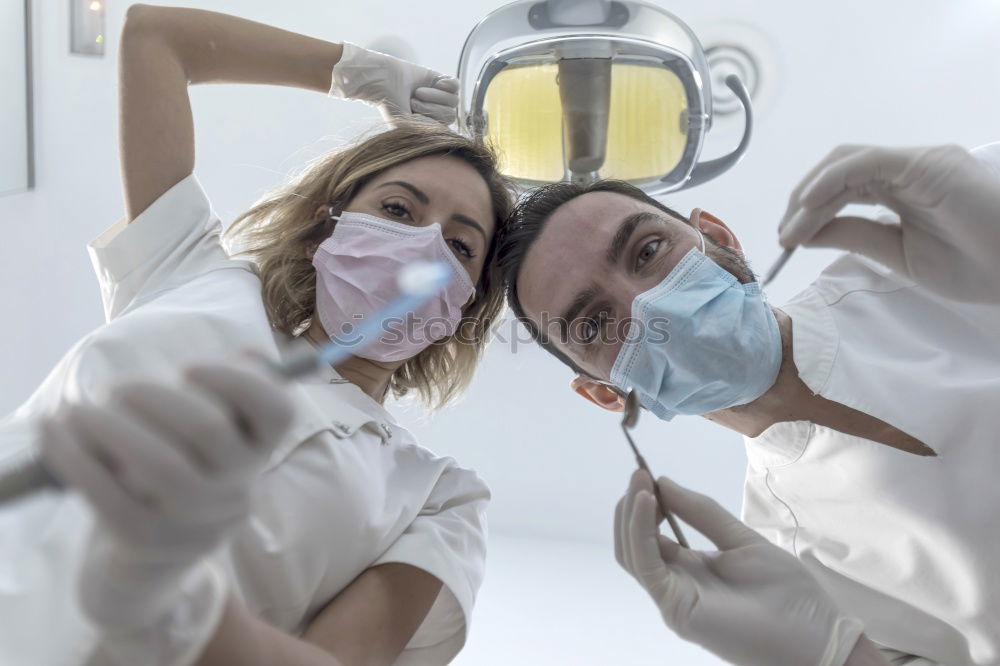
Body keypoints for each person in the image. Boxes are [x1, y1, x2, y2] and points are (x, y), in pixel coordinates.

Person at [0, 5, 514, 665]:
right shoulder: (194, 276)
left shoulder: (438, 499)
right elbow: (155, 38)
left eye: (459, 244)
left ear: (464, 307)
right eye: (396, 209)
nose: (420, 248)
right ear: (330, 224)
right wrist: (357, 72)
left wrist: (178, 601)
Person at [494, 142, 1000, 665]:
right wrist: (836, 658)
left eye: (647, 252)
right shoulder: (784, 569)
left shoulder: (928, 241)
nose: (650, 306)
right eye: (596, 323)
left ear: (717, 236)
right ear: (606, 394)